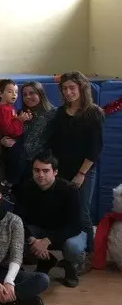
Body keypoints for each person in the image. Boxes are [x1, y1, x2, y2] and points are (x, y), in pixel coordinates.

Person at [50, 71, 105, 256]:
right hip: (62, 169)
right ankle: (70, 253)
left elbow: (95, 148)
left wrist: (81, 174)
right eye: (64, 88)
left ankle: (90, 254)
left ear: (81, 88)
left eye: (72, 87)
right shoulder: (60, 113)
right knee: (66, 212)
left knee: (83, 213)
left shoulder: (93, 113)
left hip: (84, 171)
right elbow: (54, 143)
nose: (68, 92)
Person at [15, 153, 85, 287]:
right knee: (17, 236)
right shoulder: (26, 188)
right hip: (39, 231)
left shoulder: (70, 191)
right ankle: (46, 261)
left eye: (45, 171)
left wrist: (47, 241)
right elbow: (17, 219)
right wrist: (32, 240)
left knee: (73, 247)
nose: (40, 175)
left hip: (66, 232)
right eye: (37, 170)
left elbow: (75, 226)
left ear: (55, 172)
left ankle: (72, 267)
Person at [0, 79, 31, 187]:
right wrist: (20, 120)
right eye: (10, 91)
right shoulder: (2, 109)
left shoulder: (9, 107)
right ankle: (10, 183)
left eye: (16, 92)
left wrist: (22, 118)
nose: (14, 94)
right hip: (12, 141)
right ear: (0, 94)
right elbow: (7, 129)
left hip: (17, 139)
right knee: (15, 164)